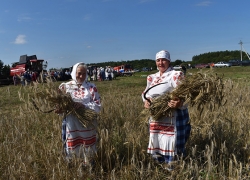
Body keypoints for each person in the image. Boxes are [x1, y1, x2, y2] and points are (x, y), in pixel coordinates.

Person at [142, 50, 191, 169]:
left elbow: (187, 94)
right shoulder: (152, 77)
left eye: (163, 60)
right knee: (159, 140)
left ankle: (173, 169)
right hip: (157, 117)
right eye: (158, 60)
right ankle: (160, 167)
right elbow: (145, 93)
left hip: (172, 117)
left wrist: (179, 102)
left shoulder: (176, 75)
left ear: (169, 61)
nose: (160, 63)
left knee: (172, 144)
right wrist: (146, 101)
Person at [56, 62, 101, 166]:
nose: (82, 76)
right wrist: (59, 109)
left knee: (87, 147)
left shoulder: (91, 87)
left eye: (84, 73)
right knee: (73, 147)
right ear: (74, 72)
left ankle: (89, 168)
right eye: (79, 73)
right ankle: (74, 167)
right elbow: (60, 105)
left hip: (87, 125)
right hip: (71, 124)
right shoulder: (65, 87)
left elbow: (98, 105)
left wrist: (84, 106)